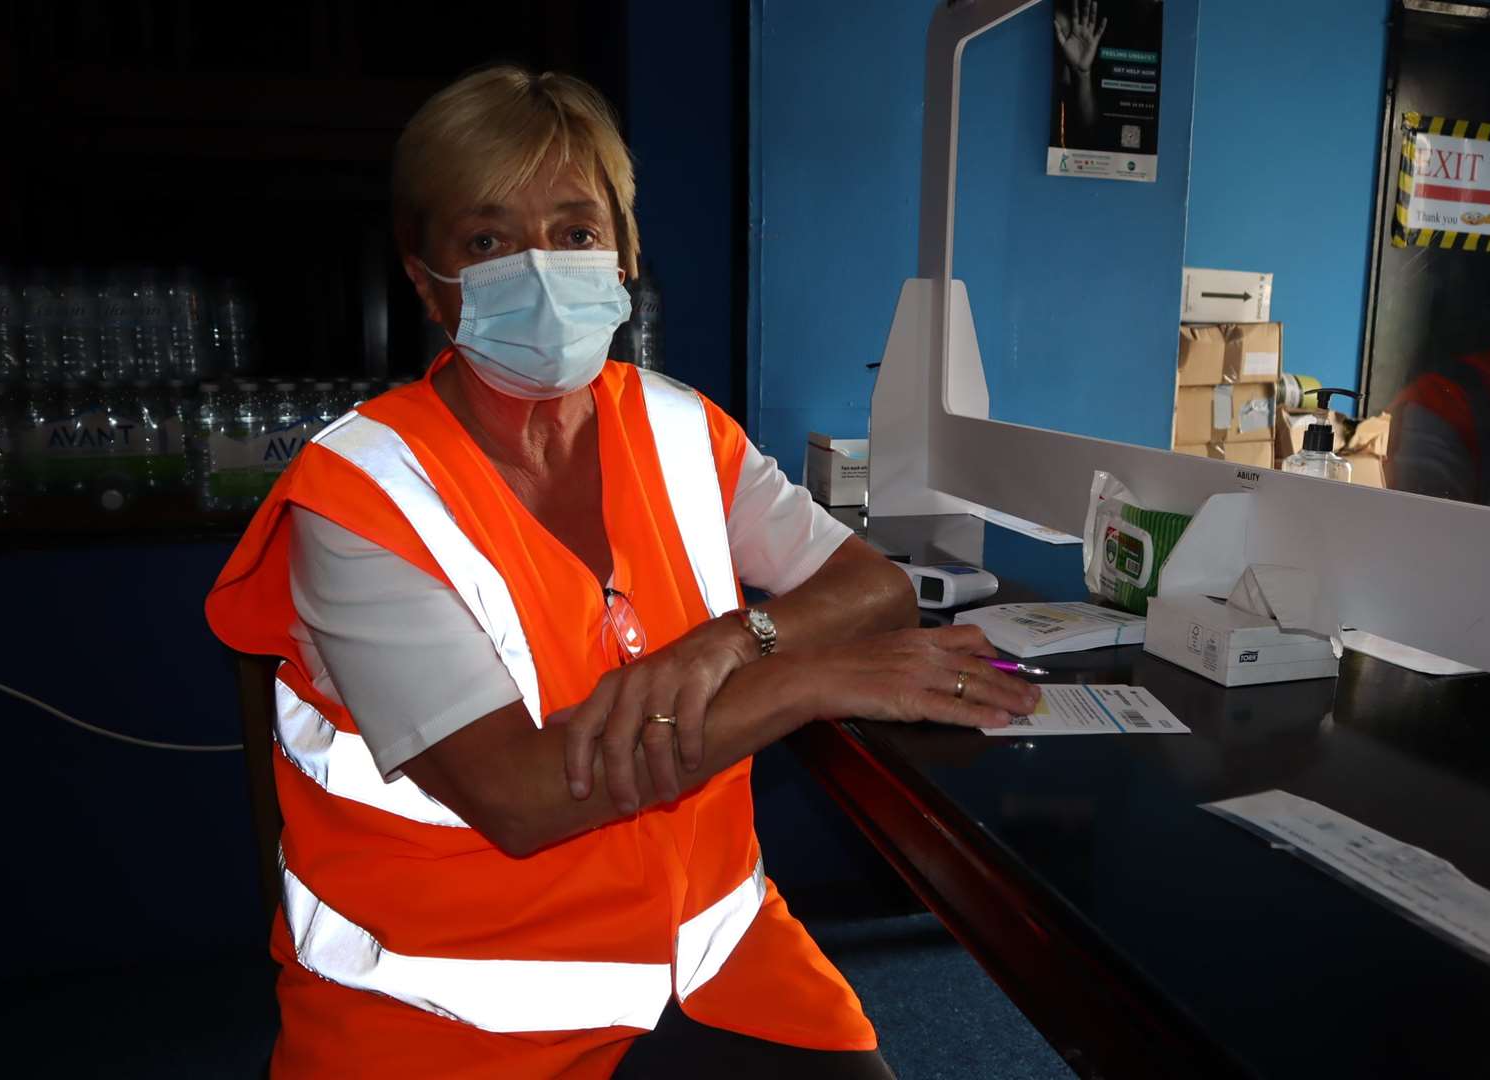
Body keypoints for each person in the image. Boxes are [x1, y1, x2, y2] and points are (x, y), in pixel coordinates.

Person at [205, 65, 1039, 1079]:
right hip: (445, 1017)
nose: (541, 268)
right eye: (486, 240)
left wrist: (737, 638)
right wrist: (802, 679)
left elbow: (871, 584)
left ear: (623, 253)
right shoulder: (358, 496)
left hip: (716, 961)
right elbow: (519, 796)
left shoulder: (680, 427)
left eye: (572, 230)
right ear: (428, 284)